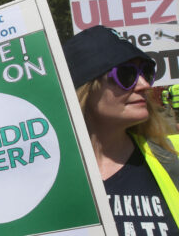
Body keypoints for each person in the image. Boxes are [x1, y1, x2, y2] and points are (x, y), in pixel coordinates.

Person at [63, 25, 179, 234]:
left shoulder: (173, 155)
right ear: (86, 89)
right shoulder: (46, 174)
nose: (144, 84)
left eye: (146, 72)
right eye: (126, 75)